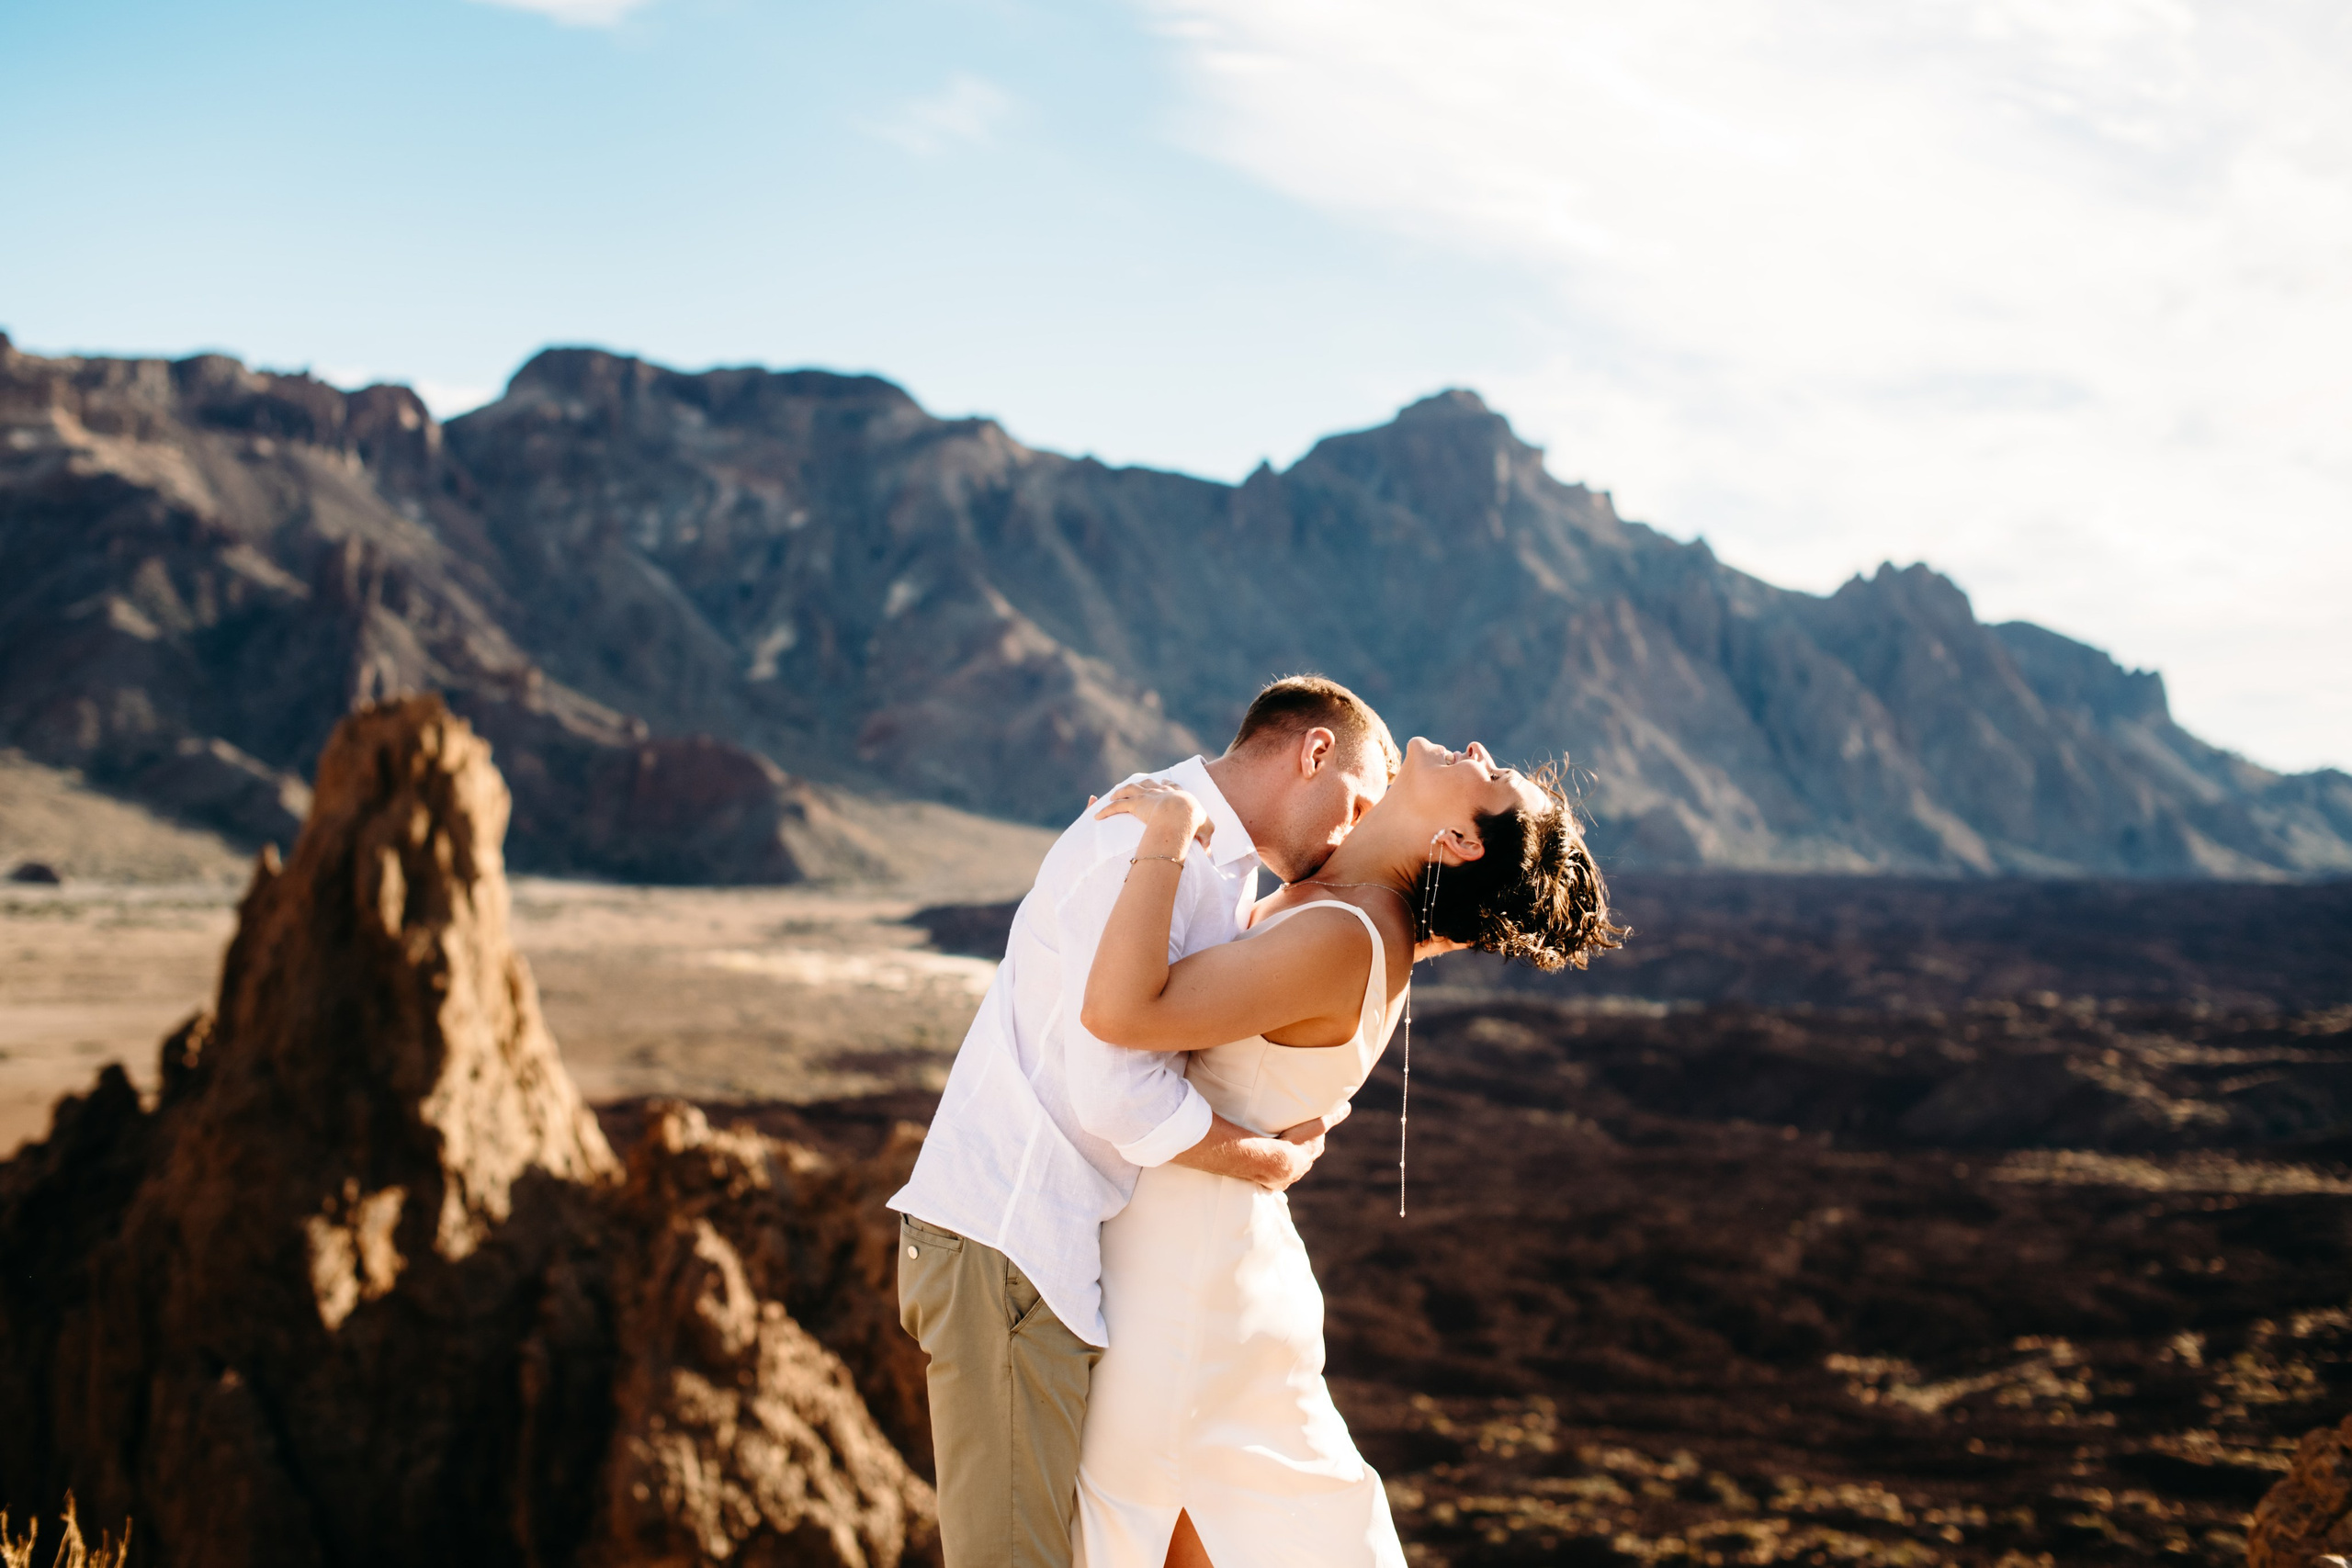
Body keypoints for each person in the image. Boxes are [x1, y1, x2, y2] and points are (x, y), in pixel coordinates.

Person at [1072, 737, 1623, 1568]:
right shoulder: (1366, 910)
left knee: (1148, 1531)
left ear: (1462, 842)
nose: (1478, 750)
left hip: (1185, 1295)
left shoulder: (1350, 935)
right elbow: (1454, 921)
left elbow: (1119, 1010)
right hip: (1195, 1265)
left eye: (1494, 776)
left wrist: (1171, 828)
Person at [889, 676, 1401, 1568]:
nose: (1347, 835)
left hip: (1050, 1249)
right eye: (1355, 804)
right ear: (1313, 753)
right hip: (1002, 1243)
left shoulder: (1218, 865)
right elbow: (1115, 1091)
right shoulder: (1145, 841)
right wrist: (1256, 1159)